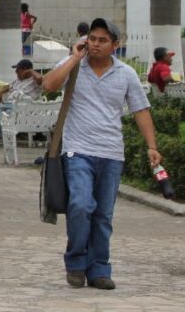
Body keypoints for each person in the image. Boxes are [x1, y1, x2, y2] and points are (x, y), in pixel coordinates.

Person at [41, 18, 161, 291]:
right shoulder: (73, 66)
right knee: (81, 206)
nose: (95, 44)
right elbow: (48, 85)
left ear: (115, 46)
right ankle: (76, 263)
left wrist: (152, 146)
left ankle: (99, 269)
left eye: (102, 40)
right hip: (77, 150)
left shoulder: (126, 74)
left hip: (111, 153)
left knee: (103, 215)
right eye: (92, 38)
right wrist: (73, 59)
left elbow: (141, 110)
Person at [0, 59, 44, 144]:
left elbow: (40, 78)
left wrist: (30, 71)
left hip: (21, 108)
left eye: (18, 69)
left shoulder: (34, 81)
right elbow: (8, 87)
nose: (16, 72)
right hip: (8, 104)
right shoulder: (18, 81)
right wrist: (0, 92)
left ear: (25, 69)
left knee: (4, 118)